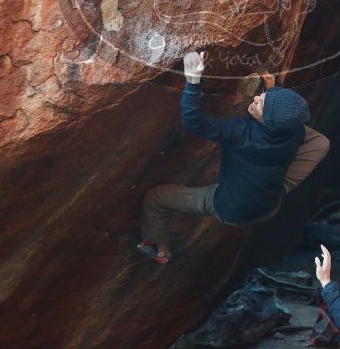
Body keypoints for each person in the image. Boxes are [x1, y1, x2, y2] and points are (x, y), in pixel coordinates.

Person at [138, 51, 329, 263]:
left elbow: (194, 122)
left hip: (232, 208)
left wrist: (192, 80)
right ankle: (271, 179)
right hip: (269, 204)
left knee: (156, 198)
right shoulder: (294, 133)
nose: (256, 98)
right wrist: (274, 91)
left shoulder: (240, 133)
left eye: (260, 104)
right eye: (262, 97)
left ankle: (158, 248)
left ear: (268, 121)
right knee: (321, 142)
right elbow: (284, 119)